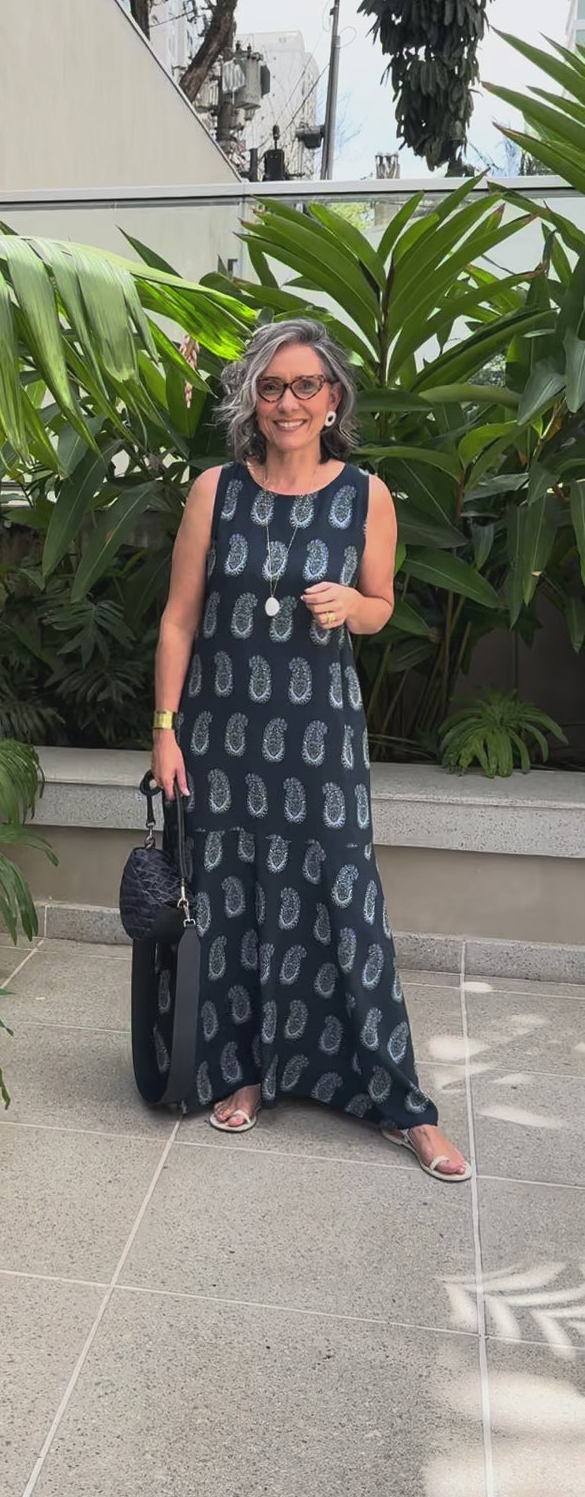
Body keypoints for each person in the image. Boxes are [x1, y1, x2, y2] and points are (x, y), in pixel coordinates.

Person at [150, 318, 470, 1181]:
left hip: (318, 740)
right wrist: (164, 730)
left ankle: (401, 1105)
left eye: (303, 386)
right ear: (250, 401)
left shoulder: (365, 495)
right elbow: (177, 620)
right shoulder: (214, 490)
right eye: (269, 387)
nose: (286, 402)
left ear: (332, 400)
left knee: (344, 904)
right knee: (228, 901)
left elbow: (381, 605)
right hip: (219, 736)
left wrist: (351, 607)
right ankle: (244, 1071)